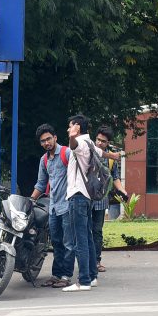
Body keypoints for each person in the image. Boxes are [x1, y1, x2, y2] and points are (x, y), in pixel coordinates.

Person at [63, 114, 103, 292]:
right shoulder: (91, 143)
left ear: (77, 127)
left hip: (78, 195)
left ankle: (84, 280)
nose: (67, 129)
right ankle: (92, 276)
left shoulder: (79, 143)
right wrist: (116, 155)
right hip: (86, 196)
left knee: (80, 240)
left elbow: (73, 145)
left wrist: (72, 135)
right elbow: (103, 153)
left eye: (70, 126)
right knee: (87, 237)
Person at [30, 124, 74, 288]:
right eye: (43, 141)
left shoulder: (67, 153)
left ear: (55, 137)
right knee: (55, 242)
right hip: (53, 206)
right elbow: (41, 184)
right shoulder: (44, 160)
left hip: (69, 205)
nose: (46, 143)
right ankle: (56, 274)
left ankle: (66, 276)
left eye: (49, 139)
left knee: (68, 242)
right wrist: (30, 200)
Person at [92, 126, 127, 272]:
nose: (100, 143)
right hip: (84, 199)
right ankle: (85, 261)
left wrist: (122, 191)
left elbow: (115, 177)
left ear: (108, 143)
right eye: (98, 140)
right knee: (82, 231)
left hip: (100, 200)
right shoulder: (87, 152)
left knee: (97, 231)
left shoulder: (111, 159)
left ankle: (96, 261)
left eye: (103, 141)